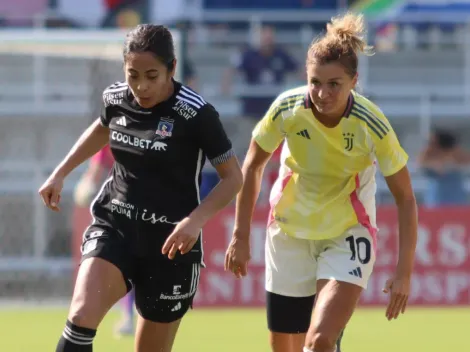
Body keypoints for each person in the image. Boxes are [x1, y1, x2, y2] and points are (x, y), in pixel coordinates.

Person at [38, 24, 242, 352]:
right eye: (133, 74)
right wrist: (60, 173)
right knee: (78, 320)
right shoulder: (117, 98)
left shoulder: (197, 114)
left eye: (151, 75)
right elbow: (102, 128)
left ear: (172, 69)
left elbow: (234, 178)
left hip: (170, 246)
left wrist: (195, 221)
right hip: (115, 226)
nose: (141, 87)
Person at [225, 12, 418, 352]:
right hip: (289, 232)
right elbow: (253, 165)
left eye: (334, 84)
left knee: (319, 341)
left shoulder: (371, 124)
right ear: (306, 75)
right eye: (315, 81)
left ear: (354, 81)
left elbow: (405, 197)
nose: (322, 92)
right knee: (285, 346)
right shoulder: (286, 108)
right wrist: (240, 235)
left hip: (347, 232)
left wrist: (403, 273)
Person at [418, 129, 470, 207]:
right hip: (437, 200)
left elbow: (466, 161)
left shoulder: (457, 154)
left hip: (456, 200)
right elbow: (421, 163)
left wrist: (450, 159)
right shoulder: (430, 156)